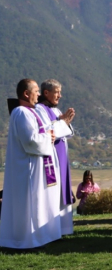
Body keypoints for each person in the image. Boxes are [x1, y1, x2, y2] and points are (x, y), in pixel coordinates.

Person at [0, 79, 61, 249]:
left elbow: (44, 131)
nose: (39, 94)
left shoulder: (32, 112)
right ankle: (29, 238)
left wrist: (52, 132)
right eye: (36, 91)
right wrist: (49, 137)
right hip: (28, 167)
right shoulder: (20, 113)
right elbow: (31, 141)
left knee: (41, 201)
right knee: (32, 204)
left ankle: (44, 235)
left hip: (39, 165)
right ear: (26, 94)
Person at [35, 79, 75, 235]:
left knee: (62, 190)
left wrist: (64, 121)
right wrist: (62, 123)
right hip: (50, 159)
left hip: (62, 157)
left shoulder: (57, 111)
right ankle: (52, 229)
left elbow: (69, 132)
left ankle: (64, 228)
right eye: (57, 92)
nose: (60, 95)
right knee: (52, 191)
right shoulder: (39, 109)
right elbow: (47, 133)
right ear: (46, 93)